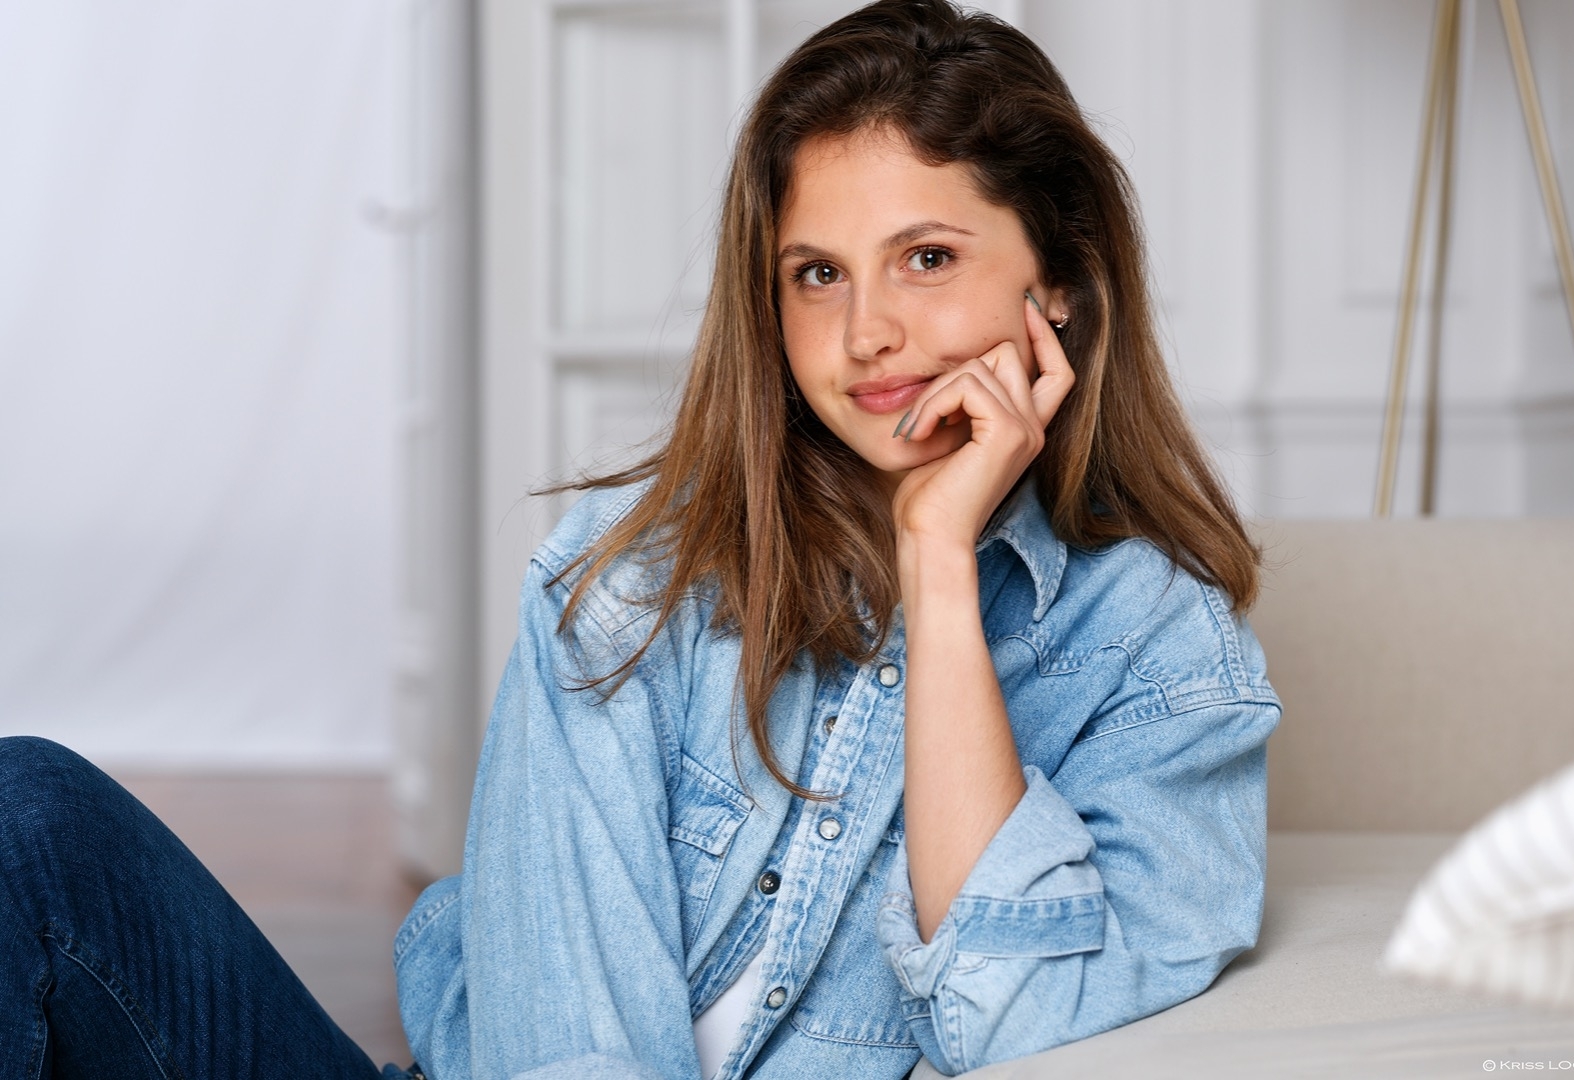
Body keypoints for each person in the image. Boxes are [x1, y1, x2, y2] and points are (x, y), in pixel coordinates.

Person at [0, 2, 1279, 1078]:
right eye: (817, 274)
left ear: (1061, 289)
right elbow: (561, 1046)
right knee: (28, 815)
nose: (865, 334)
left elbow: (1012, 1014)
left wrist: (939, 569)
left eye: (928, 258)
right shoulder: (636, 573)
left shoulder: (1160, 656)